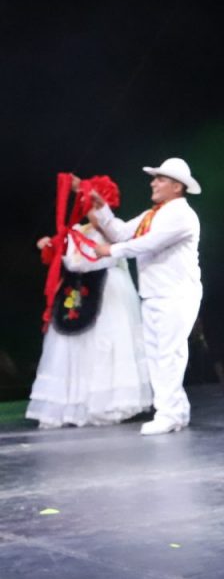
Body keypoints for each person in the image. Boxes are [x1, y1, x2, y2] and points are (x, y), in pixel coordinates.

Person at [86, 157, 203, 435]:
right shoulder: (153, 214)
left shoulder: (182, 215)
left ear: (177, 186)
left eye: (160, 179)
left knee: (168, 355)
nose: (153, 183)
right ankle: (175, 410)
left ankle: (168, 413)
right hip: (153, 293)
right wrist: (102, 210)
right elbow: (121, 233)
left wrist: (110, 252)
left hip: (175, 293)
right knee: (157, 355)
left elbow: (148, 243)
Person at [27, 176, 152, 428]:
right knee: (74, 347)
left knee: (105, 344)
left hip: (107, 291)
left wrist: (97, 228)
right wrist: (51, 247)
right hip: (78, 288)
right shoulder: (77, 230)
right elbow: (69, 257)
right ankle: (74, 403)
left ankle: (106, 403)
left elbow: (110, 250)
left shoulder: (114, 229)